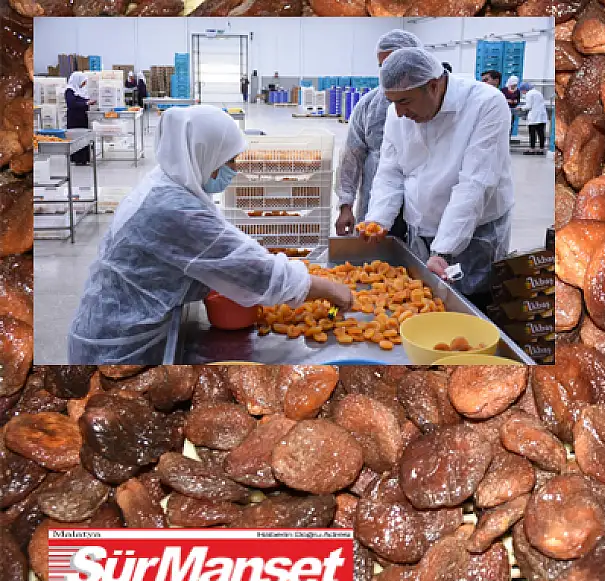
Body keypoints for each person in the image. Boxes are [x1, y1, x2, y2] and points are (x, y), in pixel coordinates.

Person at [67, 105, 353, 364]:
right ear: (204, 153)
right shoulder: (173, 208)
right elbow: (256, 273)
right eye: (229, 161)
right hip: (118, 350)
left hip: (123, 332)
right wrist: (329, 289)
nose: (235, 169)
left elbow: (217, 252)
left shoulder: (168, 181)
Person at [359, 48, 513, 313]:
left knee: (471, 310)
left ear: (433, 86)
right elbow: (390, 172)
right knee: (426, 307)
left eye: (405, 102)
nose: (398, 113)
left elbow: (475, 184)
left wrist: (444, 249)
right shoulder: (399, 113)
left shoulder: (485, 104)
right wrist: (378, 220)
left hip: (475, 234)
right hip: (420, 231)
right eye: (392, 102)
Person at [334, 29, 423, 238]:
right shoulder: (368, 105)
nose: (389, 72)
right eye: (383, 66)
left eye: (395, 64)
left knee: (418, 260)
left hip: (422, 202)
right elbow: (351, 156)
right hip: (376, 198)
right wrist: (345, 205)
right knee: (375, 256)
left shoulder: (433, 105)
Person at [64, 72, 94, 166]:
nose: (83, 84)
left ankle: (84, 158)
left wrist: (88, 102)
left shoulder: (78, 91)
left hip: (82, 118)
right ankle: (77, 159)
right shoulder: (69, 91)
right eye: (82, 82)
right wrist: (86, 104)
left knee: (83, 138)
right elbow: (72, 104)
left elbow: (81, 100)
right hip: (74, 119)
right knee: (76, 138)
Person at [519, 82, 547, 156]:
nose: (522, 92)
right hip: (542, 116)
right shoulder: (538, 92)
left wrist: (521, 108)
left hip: (534, 117)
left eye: (522, 91)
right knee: (541, 133)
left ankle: (532, 149)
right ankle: (541, 149)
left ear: (525, 89)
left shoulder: (529, 94)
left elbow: (528, 106)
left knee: (532, 133)